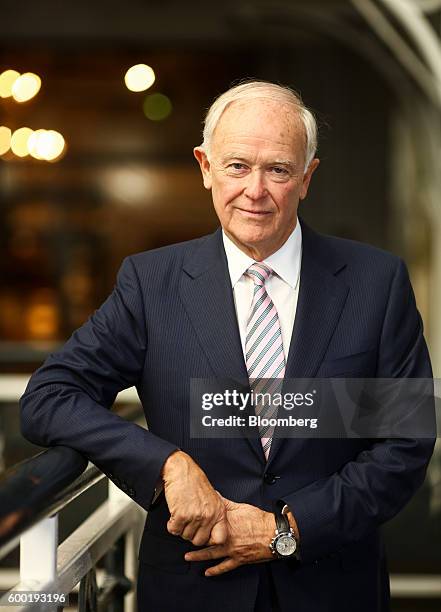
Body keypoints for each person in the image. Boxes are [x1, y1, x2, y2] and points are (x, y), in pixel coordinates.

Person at [20, 81, 435, 612]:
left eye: (278, 170)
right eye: (237, 166)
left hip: (332, 588)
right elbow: (49, 397)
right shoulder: (152, 284)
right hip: (192, 590)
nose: (255, 191)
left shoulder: (377, 282)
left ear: (307, 177)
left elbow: (406, 442)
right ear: (205, 167)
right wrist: (167, 463)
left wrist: (287, 529)